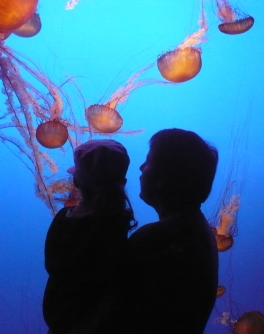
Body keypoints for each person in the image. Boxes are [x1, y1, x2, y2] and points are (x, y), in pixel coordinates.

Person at [125, 128, 219, 334]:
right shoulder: (198, 230)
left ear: (164, 176)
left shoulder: (157, 239)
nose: (141, 167)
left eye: (148, 161)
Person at [43, 139, 137, 334]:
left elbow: (52, 264)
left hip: (63, 318)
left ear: (76, 181)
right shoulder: (117, 222)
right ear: (123, 181)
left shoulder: (64, 220)